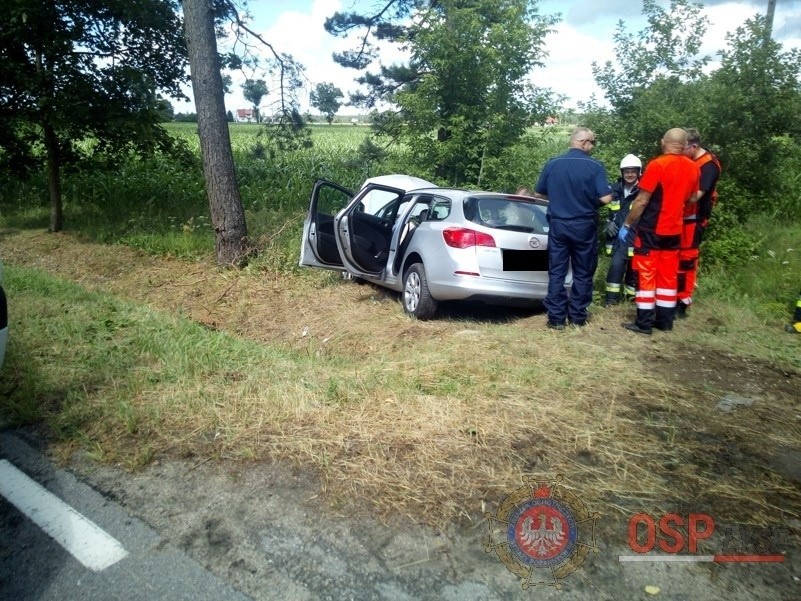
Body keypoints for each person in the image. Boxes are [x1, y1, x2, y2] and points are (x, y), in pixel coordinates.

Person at [618, 128, 700, 335]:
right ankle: (665, 321)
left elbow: (642, 200)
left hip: (652, 230)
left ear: (664, 142)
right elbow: (691, 198)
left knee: (645, 273)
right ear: (683, 145)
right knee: (668, 276)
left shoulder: (658, 165)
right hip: (675, 231)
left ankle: (644, 323)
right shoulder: (693, 168)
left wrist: (627, 224)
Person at [534, 127, 612, 329]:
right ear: (584, 142)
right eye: (592, 142)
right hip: (584, 225)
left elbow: (539, 193)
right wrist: (587, 202)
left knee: (557, 271)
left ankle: (556, 318)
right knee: (583, 271)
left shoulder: (553, 164)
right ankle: (577, 316)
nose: (593, 146)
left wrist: (560, 199)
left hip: (559, 224)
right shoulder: (595, 166)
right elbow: (606, 198)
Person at [677, 128, 722, 319]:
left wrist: (672, 199)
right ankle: (670, 297)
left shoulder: (708, 166)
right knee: (672, 258)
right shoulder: (689, 160)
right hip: (678, 218)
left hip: (694, 220)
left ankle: (683, 302)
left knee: (687, 261)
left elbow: (696, 196)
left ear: (693, 146)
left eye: (683, 149)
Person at [603, 154, 642, 307]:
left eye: (633, 171)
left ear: (639, 172)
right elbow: (608, 211)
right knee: (616, 266)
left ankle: (631, 299)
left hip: (636, 236)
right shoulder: (614, 189)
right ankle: (611, 300)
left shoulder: (643, 190)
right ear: (622, 173)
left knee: (634, 269)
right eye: (627, 171)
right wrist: (608, 223)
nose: (630, 174)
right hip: (618, 237)